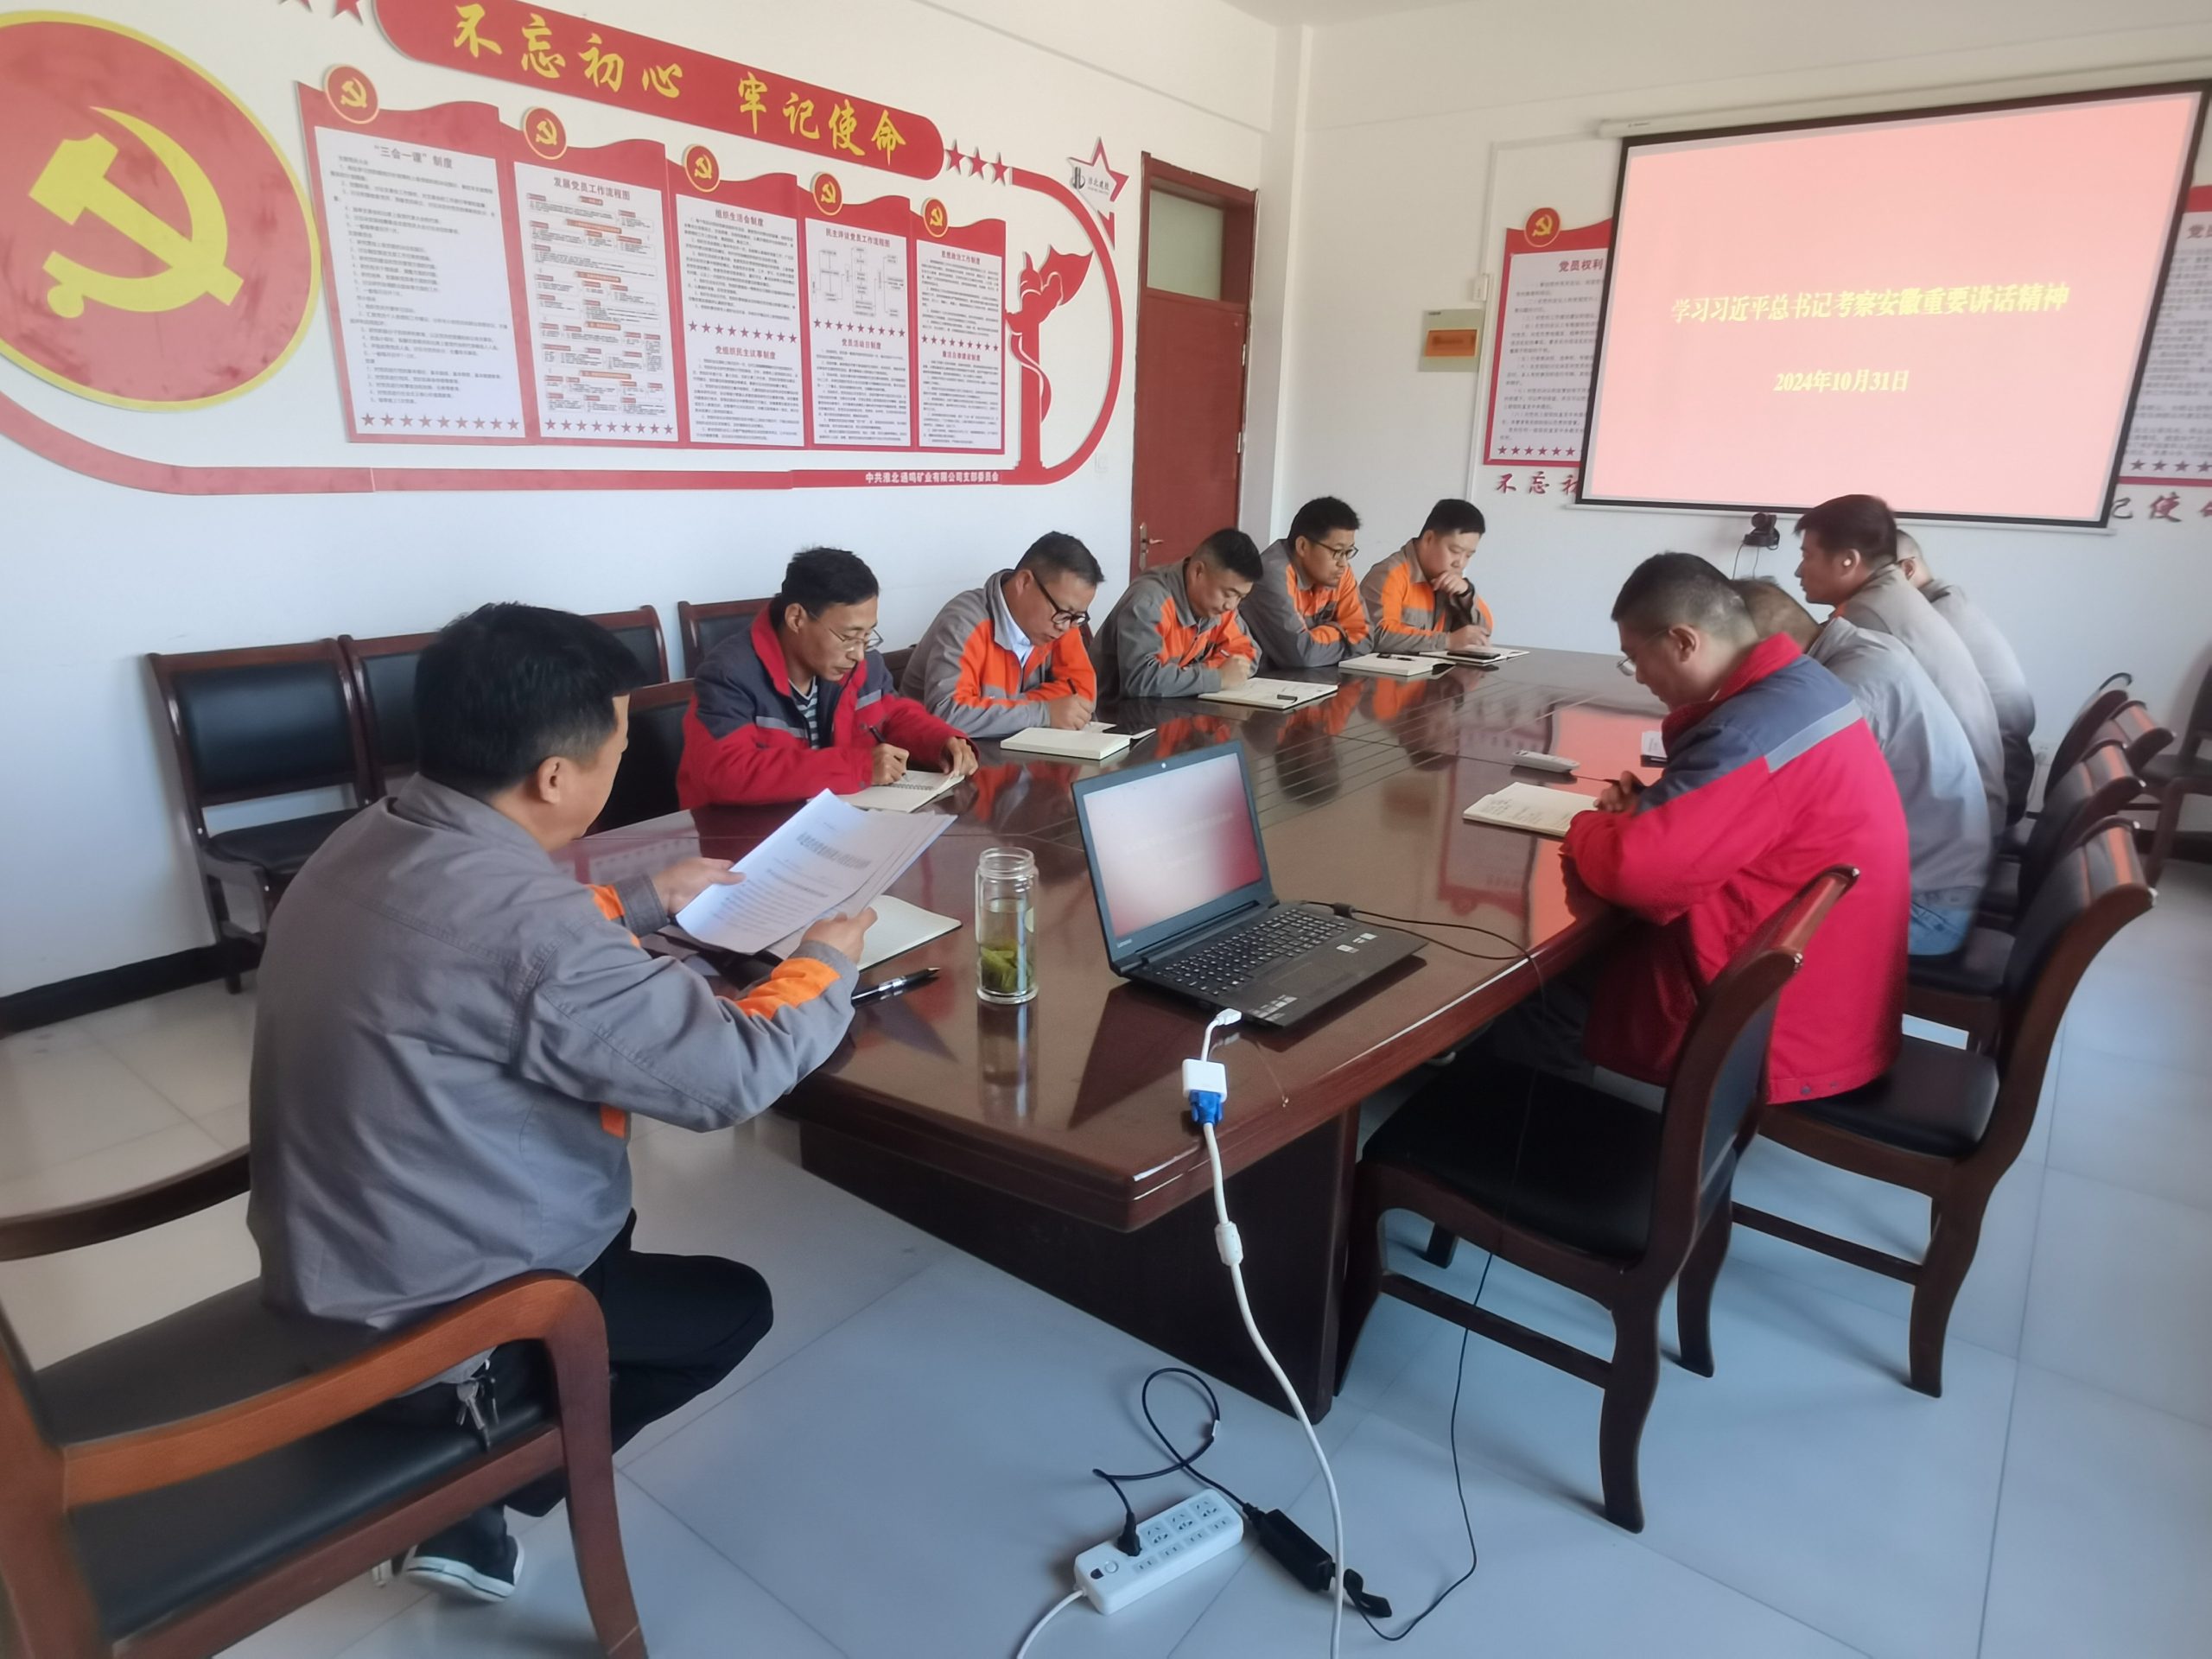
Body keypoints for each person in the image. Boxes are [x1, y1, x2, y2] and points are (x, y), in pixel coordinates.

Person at [248, 603, 874, 1602]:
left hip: (336, 1262)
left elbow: (483, 939)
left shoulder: (369, 834)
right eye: (618, 747)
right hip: (443, 1324)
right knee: (731, 1311)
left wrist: (641, 900)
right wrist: (828, 962)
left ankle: (467, 1456)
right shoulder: (524, 930)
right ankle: (469, 1481)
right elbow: (729, 1072)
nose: (622, 761)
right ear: (553, 778)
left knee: (622, 1227)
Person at [1556, 553, 1909, 1102]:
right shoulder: (1803, 685)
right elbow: (1757, 811)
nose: (1640, 676)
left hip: (1776, 1029)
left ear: (1683, 641)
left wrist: (1586, 826)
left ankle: (1557, 1139)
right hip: (1836, 997)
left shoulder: (1745, 733)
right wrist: (1653, 811)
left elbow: (1637, 876)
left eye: (1635, 658)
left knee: (1547, 992)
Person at [1732, 578, 1993, 957]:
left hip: (1926, 911)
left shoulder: (1849, 689)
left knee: (1723, 924)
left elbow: (1780, 812)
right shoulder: (1864, 648)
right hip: (1941, 885)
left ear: (1763, 647)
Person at [679, 546, 979, 804]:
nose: (858, 653)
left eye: (867, 635)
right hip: (742, 835)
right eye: (848, 636)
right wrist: (858, 768)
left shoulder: (861, 664)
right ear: (796, 618)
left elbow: (892, 715)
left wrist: (941, 741)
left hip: (833, 820)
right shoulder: (728, 676)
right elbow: (728, 772)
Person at [1794, 494, 2005, 836]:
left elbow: (1822, 734)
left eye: (1807, 556)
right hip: (1966, 808)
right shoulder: (1894, 597)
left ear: (1848, 561)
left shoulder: (1867, 619)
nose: (1798, 570)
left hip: (1948, 825)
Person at [899, 532, 1103, 740]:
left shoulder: (1060, 622)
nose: (1066, 627)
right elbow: (947, 713)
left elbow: (1082, 696)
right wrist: (1042, 713)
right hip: (933, 754)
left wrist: (1003, 711)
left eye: (1077, 617)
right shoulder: (964, 622)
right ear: (1024, 582)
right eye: (1064, 613)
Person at [1897, 531, 2037, 824]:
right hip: (1998, 780)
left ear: (1907, 569)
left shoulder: (1933, 622)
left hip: (1988, 800)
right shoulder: (1948, 605)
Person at [1094, 527, 1262, 700]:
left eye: (1241, 597)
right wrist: (1217, 677)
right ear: (1198, 572)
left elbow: (1249, 654)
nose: (1232, 605)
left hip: (1171, 704)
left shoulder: (1220, 608)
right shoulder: (1150, 602)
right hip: (1113, 710)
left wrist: (1205, 674)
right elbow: (1140, 680)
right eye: (1228, 593)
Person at [1242, 495, 1371, 669]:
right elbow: (1300, 655)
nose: (1344, 563)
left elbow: (1365, 638)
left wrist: (1315, 640)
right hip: (1261, 679)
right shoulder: (1272, 575)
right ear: (1303, 546)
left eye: (1348, 552)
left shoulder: (1339, 573)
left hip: (1308, 678)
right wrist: (1342, 632)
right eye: (1337, 551)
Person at [1359, 498, 1492, 654]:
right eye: (1455, 551)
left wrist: (1466, 594)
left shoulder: (1451, 583)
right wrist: (1448, 641)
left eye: (1468, 555)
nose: (1461, 563)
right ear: (1429, 539)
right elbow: (1377, 635)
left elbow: (1483, 633)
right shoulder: (1389, 574)